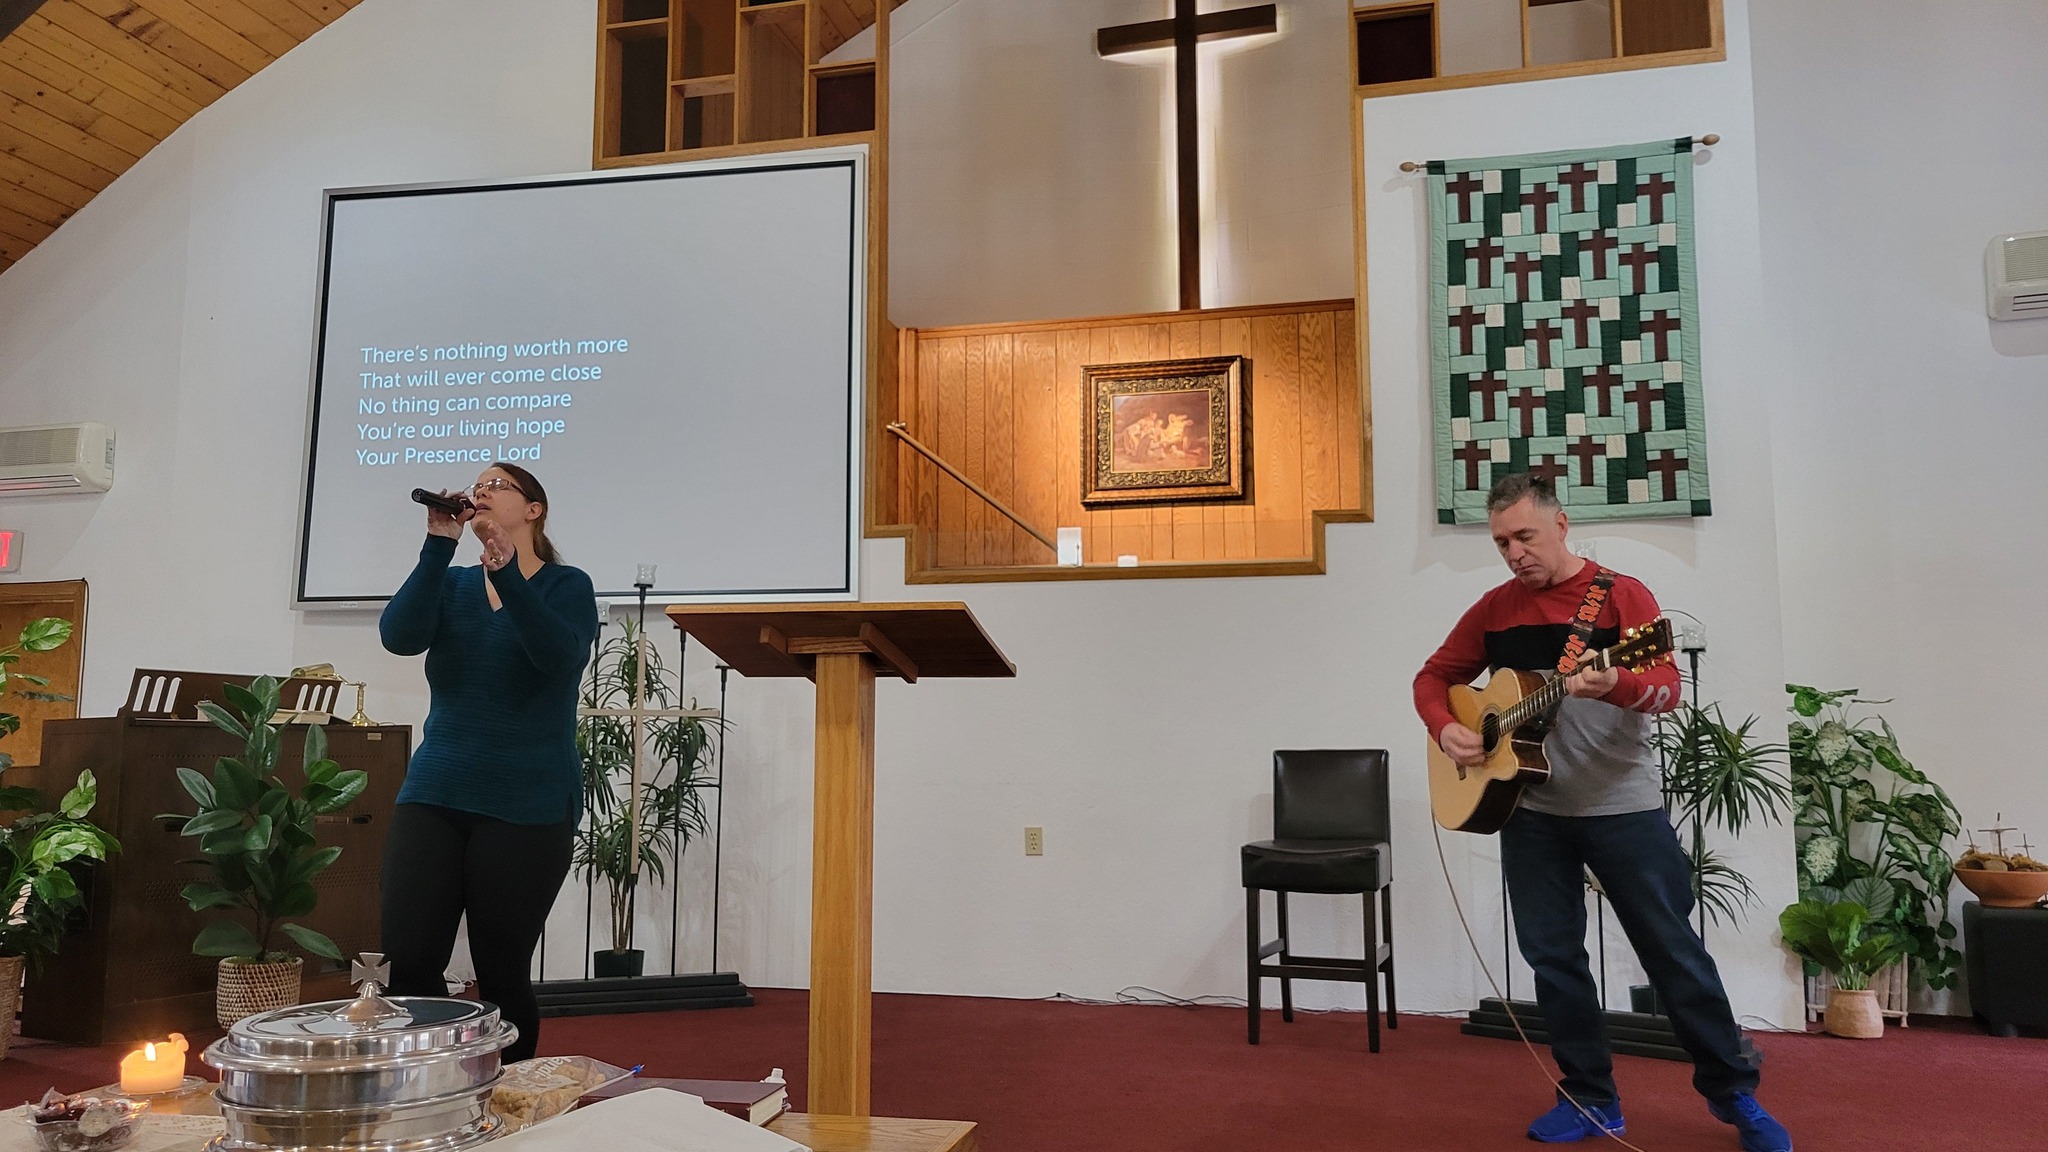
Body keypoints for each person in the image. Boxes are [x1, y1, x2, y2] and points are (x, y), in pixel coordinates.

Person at [1412, 473, 1792, 1152]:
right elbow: (1432, 678)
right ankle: (1591, 1098)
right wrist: (1446, 728)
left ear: (1560, 525)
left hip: (1623, 808)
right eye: (1502, 543)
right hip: (1529, 811)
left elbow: (1667, 689)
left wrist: (1617, 681)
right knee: (1553, 960)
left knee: (1673, 953)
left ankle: (1735, 1094)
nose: (1515, 553)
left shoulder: (1621, 596)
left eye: (1525, 536)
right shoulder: (1494, 610)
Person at [378, 463, 597, 1063]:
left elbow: (557, 657)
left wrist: (509, 576)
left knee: (500, 969)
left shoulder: (566, 585)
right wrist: (438, 544)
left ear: (534, 509)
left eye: (496, 486)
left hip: (527, 803)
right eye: (476, 487)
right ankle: (425, 1094)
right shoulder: (452, 585)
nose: (480, 493)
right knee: (409, 963)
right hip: (435, 790)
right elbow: (399, 636)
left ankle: (511, 1101)